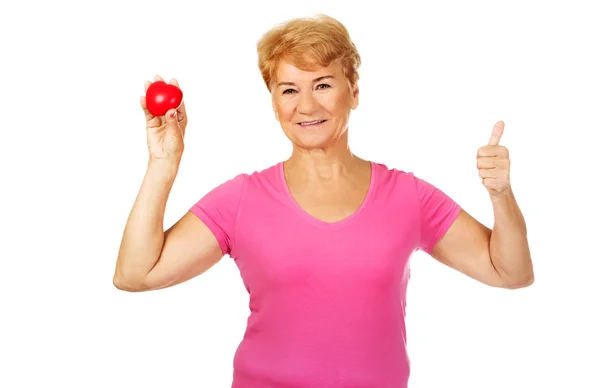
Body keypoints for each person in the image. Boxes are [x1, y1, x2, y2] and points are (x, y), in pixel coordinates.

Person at [113, 14, 534, 388]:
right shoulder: (241, 199)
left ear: (354, 92)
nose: (307, 105)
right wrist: (163, 164)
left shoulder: (408, 196)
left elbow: (510, 272)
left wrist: (501, 194)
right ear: (275, 103)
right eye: (289, 90)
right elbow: (135, 274)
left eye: (323, 84)